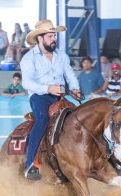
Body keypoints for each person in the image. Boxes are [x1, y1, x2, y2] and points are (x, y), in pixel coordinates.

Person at [20, 19, 81, 180]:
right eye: (50, 36)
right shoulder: (28, 58)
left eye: (54, 36)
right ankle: (30, 164)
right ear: (39, 38)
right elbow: (26, 83)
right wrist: (48, 88)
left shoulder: (61, 56)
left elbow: (70, 74)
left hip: (59, 96)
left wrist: (75, 88)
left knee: (79, 119)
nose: (54, 39)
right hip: (39, 96)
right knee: (42, 120)